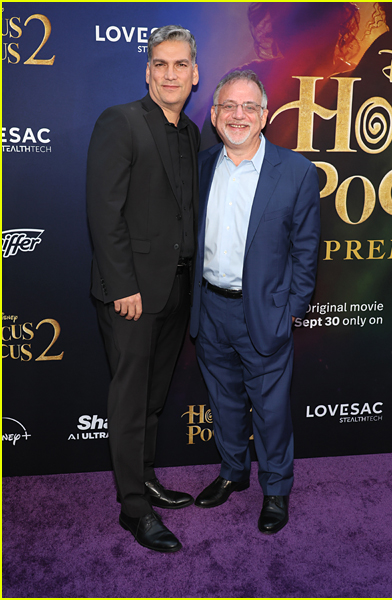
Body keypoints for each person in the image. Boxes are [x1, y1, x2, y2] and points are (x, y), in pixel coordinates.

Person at [190, 70, 320, 534]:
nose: (238, 115)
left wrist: (292, 309)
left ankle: (276, 489)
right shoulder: (201, 165)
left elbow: (307, 250)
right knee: (223, 401)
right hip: (208, 309)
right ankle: (232, 472)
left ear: (265, 116)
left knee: (270, 409)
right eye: (228, 106)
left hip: (264, 312)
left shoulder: (298, 172)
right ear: (214, 114)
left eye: (249, 107)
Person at [86, 25, 200, 553]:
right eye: (160, 64)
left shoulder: (193, 132)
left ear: (194, 74)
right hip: (132, 293)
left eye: (180, 65)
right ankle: (134, 508)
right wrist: (121, 286)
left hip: (177, 289)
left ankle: (148, 478)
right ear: (147, 70)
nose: (170, 74)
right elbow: (103, 213)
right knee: (130, 402)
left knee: (154, 399)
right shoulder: (121, 122)